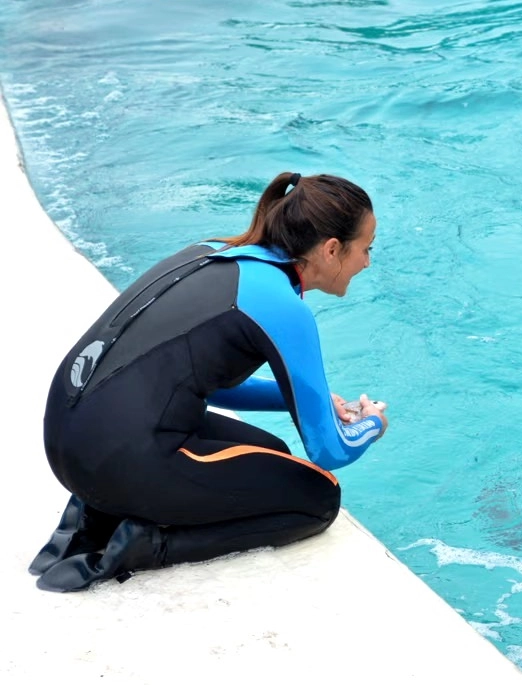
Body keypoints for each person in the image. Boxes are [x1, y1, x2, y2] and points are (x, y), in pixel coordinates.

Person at [30, 171, 389, 592]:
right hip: (118, 461)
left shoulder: (213, 252)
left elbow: (201, 381)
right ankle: (149, 544)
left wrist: (308, 400)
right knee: (317, 497)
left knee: (271, 454)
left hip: (66, 439)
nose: (366, 262)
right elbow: (329, 451)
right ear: (331, 250)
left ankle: (90, 519)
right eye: (366, 249)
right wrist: (372, 425)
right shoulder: (282, 305)